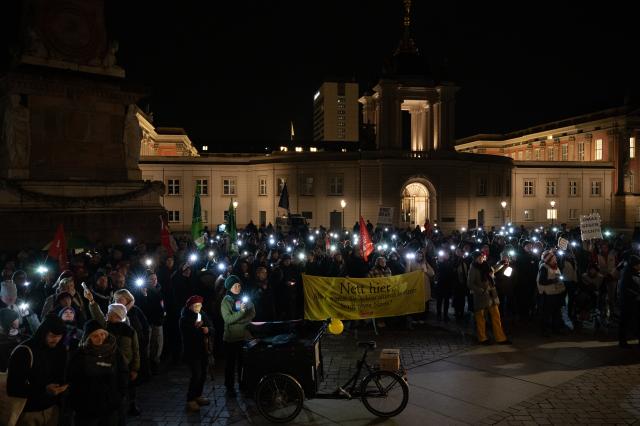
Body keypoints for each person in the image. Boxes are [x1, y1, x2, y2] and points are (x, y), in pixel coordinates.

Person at [7, 316, 68, 426]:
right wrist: (44, 390)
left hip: (52, 409)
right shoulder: (24, 351)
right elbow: (13, 388)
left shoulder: (60, 349)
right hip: (29, 412)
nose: (56, 340)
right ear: (43, 332)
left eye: (60, 336)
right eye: (52, 336)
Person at [68, 320, 129, 426]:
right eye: (95, 336)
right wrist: (78, 403)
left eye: (102, 334)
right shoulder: (80, 355)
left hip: (111, 406)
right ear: (88, 338)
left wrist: (119, 396)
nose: (100, 338)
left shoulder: (115, 351)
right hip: (87, 408)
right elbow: (73, 380)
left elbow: (123, 373)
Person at [221, 275, 255, 397]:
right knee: (230, 365)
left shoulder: (244, 298)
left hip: (243, 337)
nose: (238, 287)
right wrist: (241, 313)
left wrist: (241, 319)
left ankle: (243, 384)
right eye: (235, 286)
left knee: (243, 363)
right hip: (231, 339)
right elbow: (228, 319)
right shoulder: (226, 301)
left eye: (239, 285)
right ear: (230, 287)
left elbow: (252, 312)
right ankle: (229, 387)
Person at [467, 251, 511, 345]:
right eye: (479, 257)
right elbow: (470, 284)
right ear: (475, 259)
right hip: (481, 296)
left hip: (491, 295)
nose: (481, 258)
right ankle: (482, 338)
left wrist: (502, 263)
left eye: (482, 257)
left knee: (496, 316)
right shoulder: (473, 268)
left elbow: (493, 269)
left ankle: (500, 338)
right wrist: (481, 290)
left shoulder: (486, 265)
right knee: (481, 318)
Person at [180, 295, 213, 412]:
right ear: (190, 307)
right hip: (192, 351)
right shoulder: (185, 318)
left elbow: (211, 326)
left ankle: (198, 395)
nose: (198, 307)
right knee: (196, 374)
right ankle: (190, 399)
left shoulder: (202, 314)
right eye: (196, 305)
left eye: (200, 305)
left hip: (203, 350)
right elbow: (188, 335)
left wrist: (208, 329)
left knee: (203, 374)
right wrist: (197, 328)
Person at [537, 250, 566, 336]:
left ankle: (555, 329)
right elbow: (541, 281)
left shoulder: (555, 266)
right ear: (549, 259)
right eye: (553, 257)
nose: (555, 258)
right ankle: (544, 331)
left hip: (556, 293)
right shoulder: (544, 267)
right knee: (547, 313)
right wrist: (554, 280)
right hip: (548, 294)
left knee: (556, 312)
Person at [617, 255, 640, 348]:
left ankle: (624, 340)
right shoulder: (629, 273)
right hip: (628, 301)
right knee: (626, 321)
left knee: (630, 320)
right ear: (635, 264)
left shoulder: (629, 271)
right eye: (639, 264)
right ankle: (622, 341)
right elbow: (629, 287)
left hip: (629, 300)